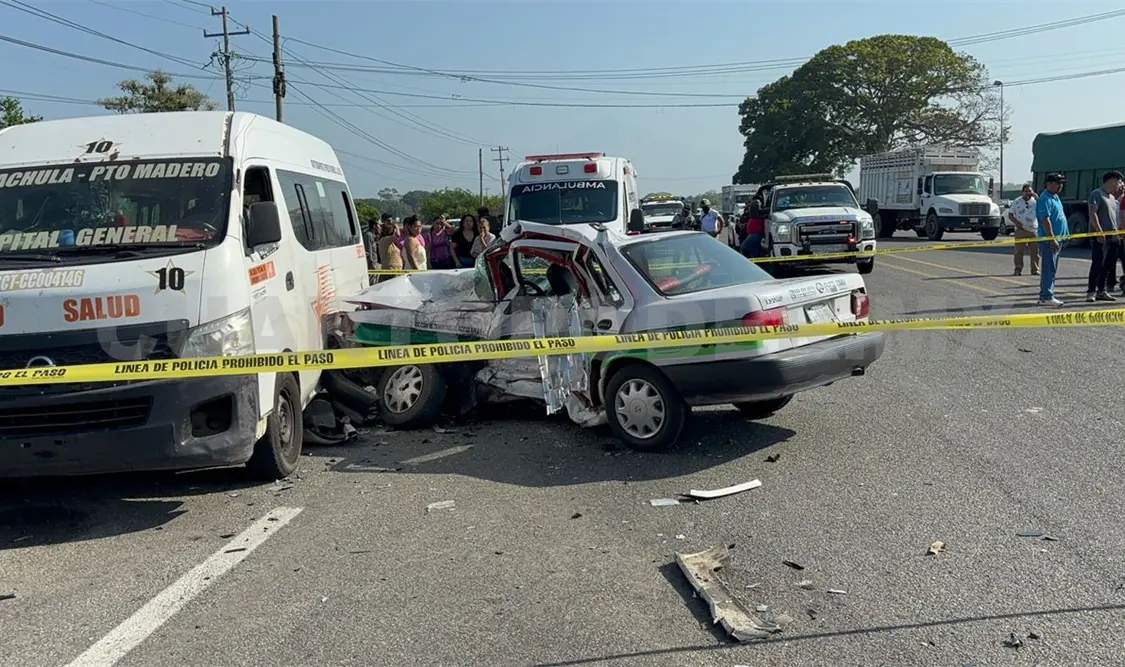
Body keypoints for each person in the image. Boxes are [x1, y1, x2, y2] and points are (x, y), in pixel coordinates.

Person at [1086, 171, 1122, 302]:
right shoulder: (1096, 194)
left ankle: (1102, 290)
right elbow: (1092, 212)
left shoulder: (1112, 198)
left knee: (1108, 265)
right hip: (1100, 236)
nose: (1120, 185)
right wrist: (1098, 231)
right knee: (1097, 263)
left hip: (1113, 236)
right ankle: (1091, 292)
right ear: (1111, 181)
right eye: (1119, 182)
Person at [1036, 173, 1069, 307]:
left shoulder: (1055, 197)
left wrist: (1065, 236)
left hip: (1059, 239)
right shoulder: (1044, 199)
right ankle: (1046, 296)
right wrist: (1051, 238)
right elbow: (1045, 220)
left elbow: (1060, 217)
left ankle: (1048, 293)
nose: (1060, 186)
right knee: (1048, 268)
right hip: (1050, 240)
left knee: (1052, 268)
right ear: (1049, 184)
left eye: (1061, 183)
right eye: (1057, 183)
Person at [1007, 184, 1039, 276]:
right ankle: (1018, 269)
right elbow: (1010, 214)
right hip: (1021, 230)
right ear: (1022, 192)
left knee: (1035, 252)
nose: (1028, 193)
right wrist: (1016, 222)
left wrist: (1036, 196)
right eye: (1026, 191)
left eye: (1029, 191)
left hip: (1033, 230)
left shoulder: (1035, 202)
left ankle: (1035, 270)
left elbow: (1043, 208)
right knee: (1018, 252)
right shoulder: (1017, 202)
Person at [363, 217, 381, 285]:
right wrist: (372, 264)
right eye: (378, 225)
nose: (379, 227)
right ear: (374, 226)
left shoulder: (374, 236)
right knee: (372, 283)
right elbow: (368, 251)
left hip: (376, 264)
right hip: (372, 265)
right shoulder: (368, 236)